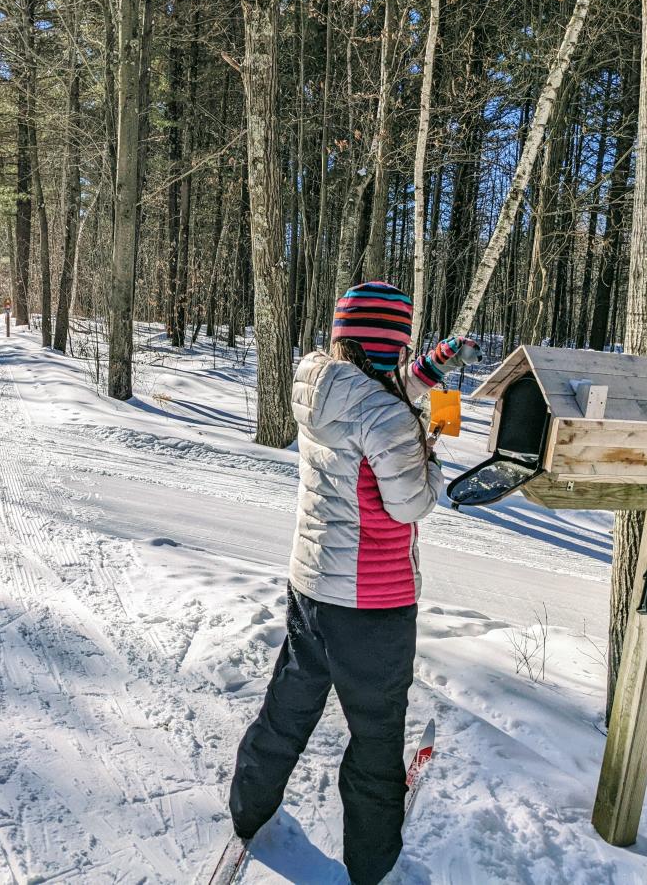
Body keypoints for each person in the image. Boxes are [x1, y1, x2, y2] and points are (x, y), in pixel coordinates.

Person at [227, 281, 480, 884]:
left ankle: (248, 806)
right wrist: (434, 447)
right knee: (375, 734)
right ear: (390, 345)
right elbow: (412, 503)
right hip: (372, 600)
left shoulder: (318, 380)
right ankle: (372, 865)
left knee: (291, 701)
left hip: (313, 582)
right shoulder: (390, 416)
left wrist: (433, 367)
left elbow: (377, 397)